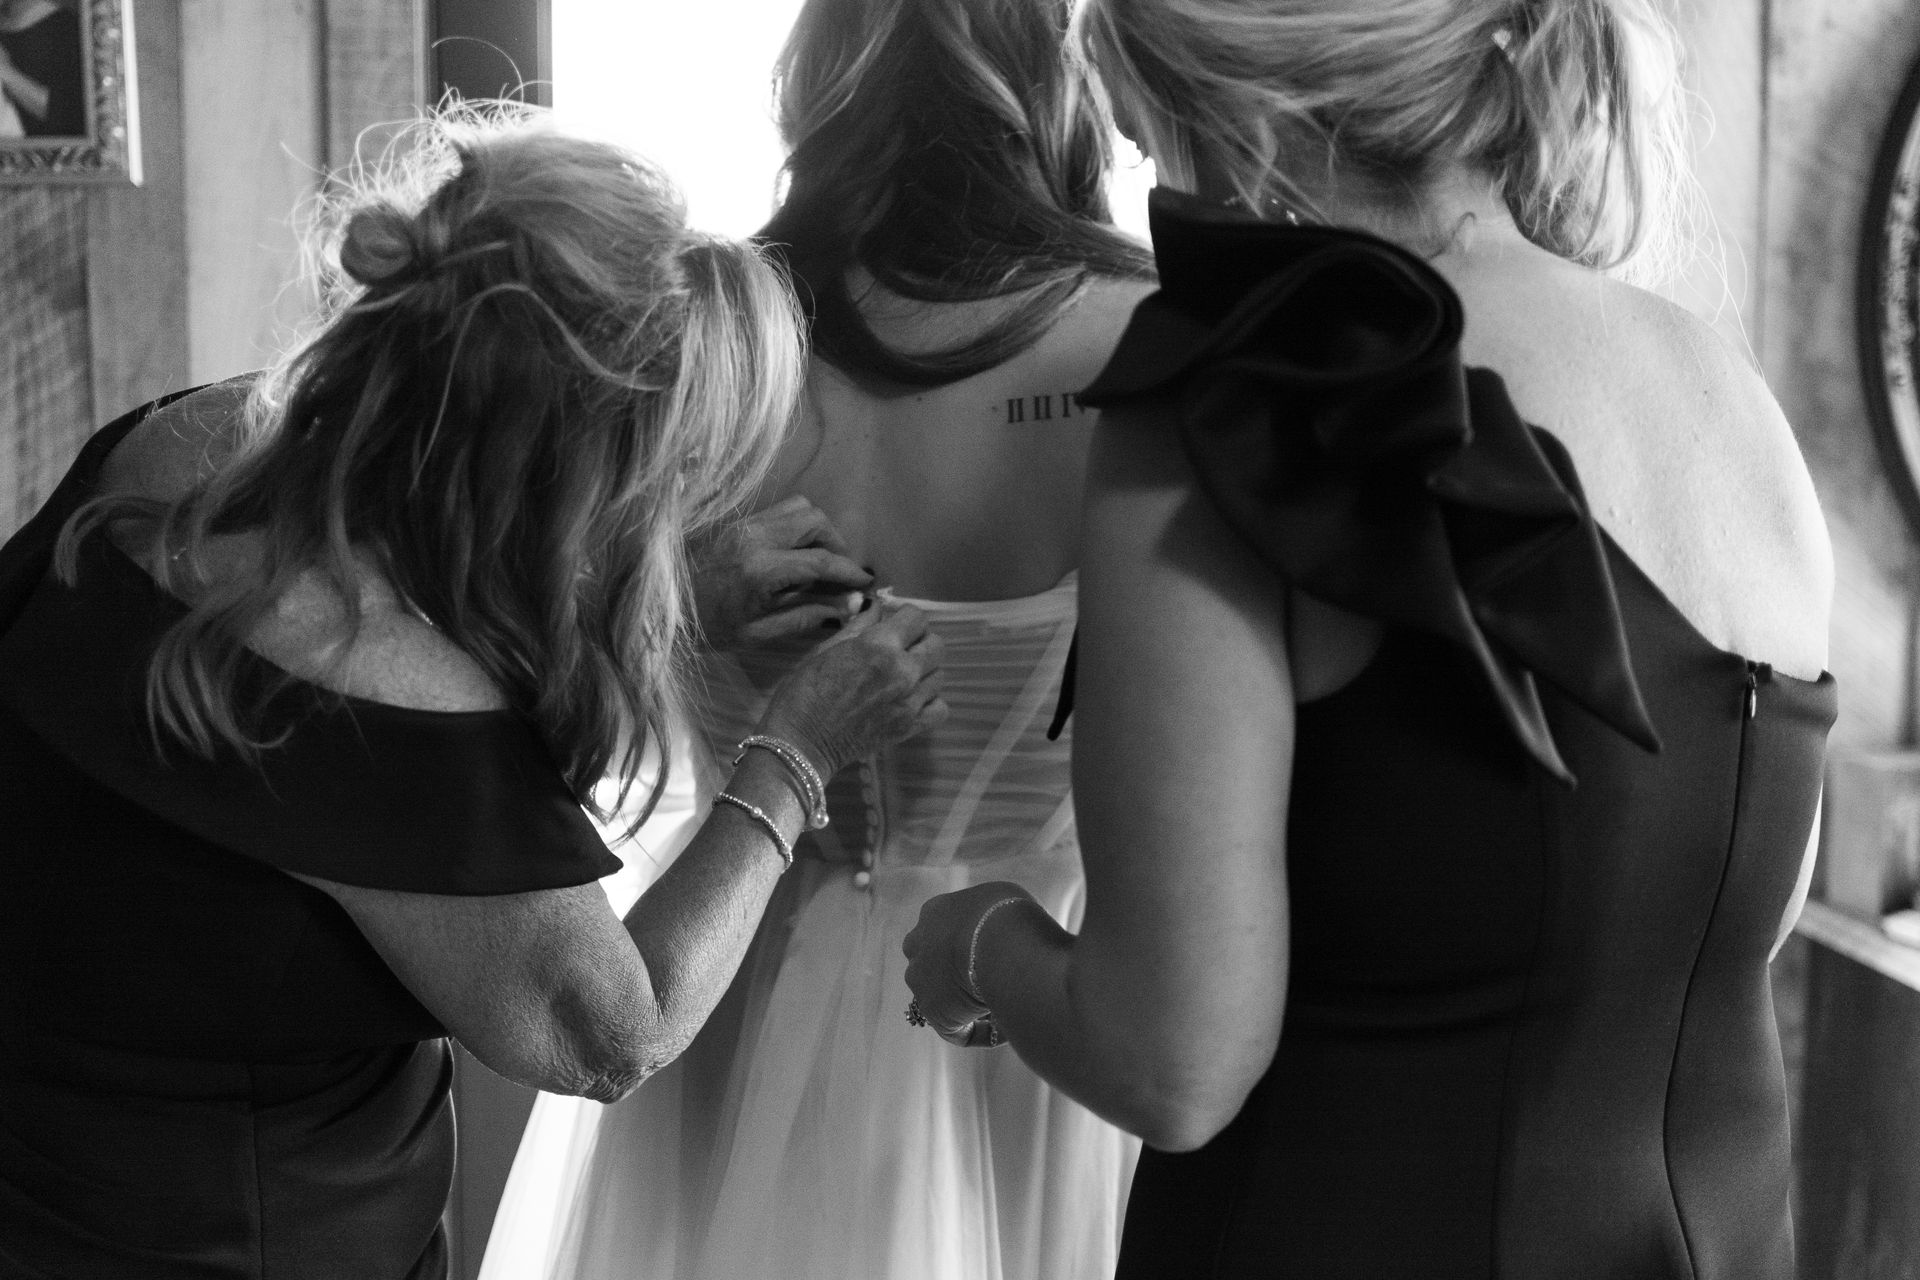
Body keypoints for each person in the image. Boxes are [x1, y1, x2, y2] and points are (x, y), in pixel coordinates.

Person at [905, 2, 1836, 1277]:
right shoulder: (1735, 403)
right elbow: (1752, 915)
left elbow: (1173, 1058)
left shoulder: (1236, 408)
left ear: (1194, 77)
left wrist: (979, 939)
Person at [0, 108, 945, 1280]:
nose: (672, 515)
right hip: (224, 1242)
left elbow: (429, 573)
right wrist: (797, 750)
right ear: (567, 464)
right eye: (665, 486)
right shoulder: (372, 698)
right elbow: (615, 1030)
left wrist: (663, 588)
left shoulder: (192, 443)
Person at [480, 1, 1157, 1277]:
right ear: (1054, 82)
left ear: (818, 76)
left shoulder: (711, 334)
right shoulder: (1149, 343)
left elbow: (522, 694)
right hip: (1036, 994)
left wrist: (671, 591)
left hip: (749, 983)